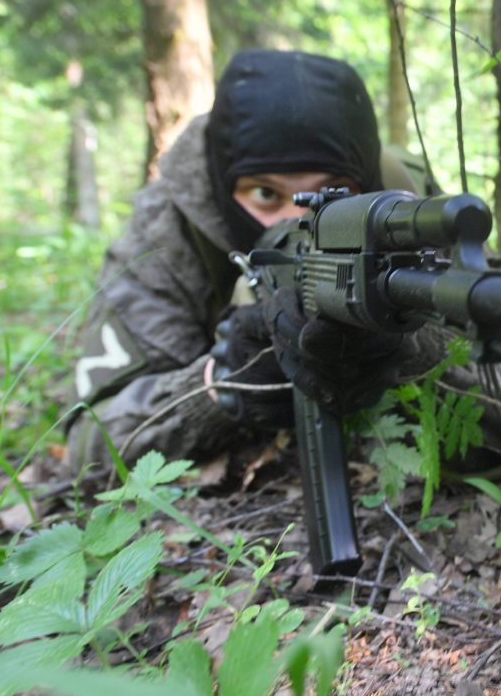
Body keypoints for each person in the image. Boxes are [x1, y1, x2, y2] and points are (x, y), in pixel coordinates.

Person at [66, 49, 437, 472]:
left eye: (334, 193)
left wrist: (412, 345)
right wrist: (220, 383)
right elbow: (89, 443)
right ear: (225, 190)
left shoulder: (407, 205)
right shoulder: (170, 231)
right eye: (266, 194)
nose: (300, 222)